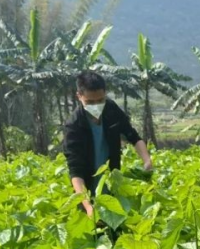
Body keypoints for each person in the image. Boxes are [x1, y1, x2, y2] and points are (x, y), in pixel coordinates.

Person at [63, 70, 153, 220]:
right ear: (79, 96)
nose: (96, 106)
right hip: (87, 193)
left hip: (113, 188)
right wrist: (88, 206)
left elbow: (133, 136)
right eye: (90, 102)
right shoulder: (74, 126)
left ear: (105, 94)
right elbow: (76, 171)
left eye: (100, 100)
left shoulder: (111, 109)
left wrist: (147, 160)